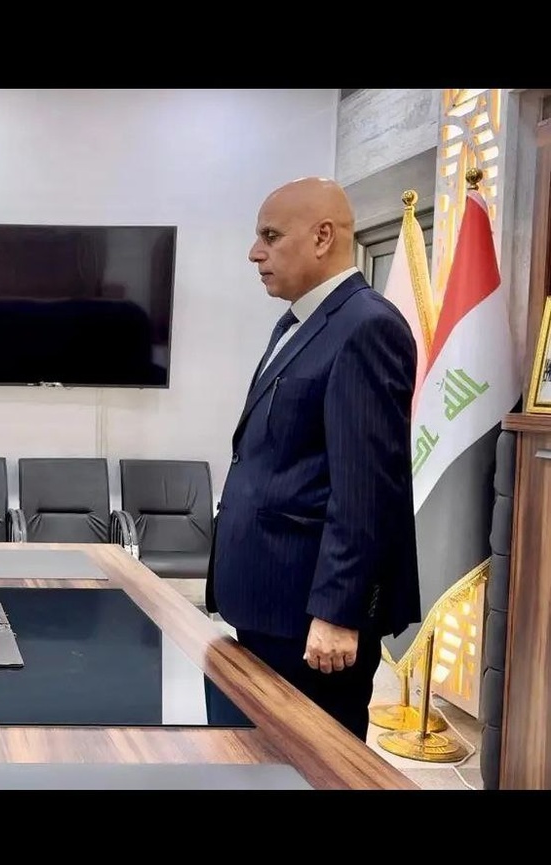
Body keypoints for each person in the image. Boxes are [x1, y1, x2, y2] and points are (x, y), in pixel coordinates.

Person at [205, 176, 421, 742]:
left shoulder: (366, 326)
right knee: (258, 762)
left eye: (271, 236)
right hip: (269, 603)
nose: (255, 252)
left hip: (310, 620)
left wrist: (338, 613)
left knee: (313, 765)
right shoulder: (296, 323)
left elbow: (367, 490)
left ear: (322, 237)